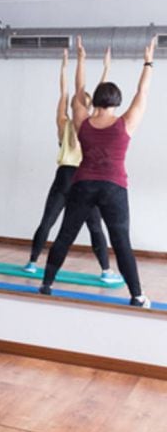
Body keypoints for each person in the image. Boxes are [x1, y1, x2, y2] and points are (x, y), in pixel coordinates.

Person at [39, 37, 155, 308]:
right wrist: (148, 62)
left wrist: (80, 58)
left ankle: (47, 283)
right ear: (117, 100)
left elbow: (79, 90)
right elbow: (143, 93)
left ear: (98, 99)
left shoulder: (83, 122)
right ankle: (137, 295)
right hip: (114, 187)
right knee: (121, 241)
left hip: (83, 184)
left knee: (66, 235)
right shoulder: (125, 123)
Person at [24, 44, 121, 283]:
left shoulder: (63, 121)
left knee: (48, 220)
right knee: (95, 227)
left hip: (63, 176)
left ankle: (32, 262)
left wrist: (67, 66)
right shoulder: (88, 124)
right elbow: (94, 95)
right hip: (84, 178)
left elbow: (67, 92)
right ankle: (106, 270)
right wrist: (106, 68)